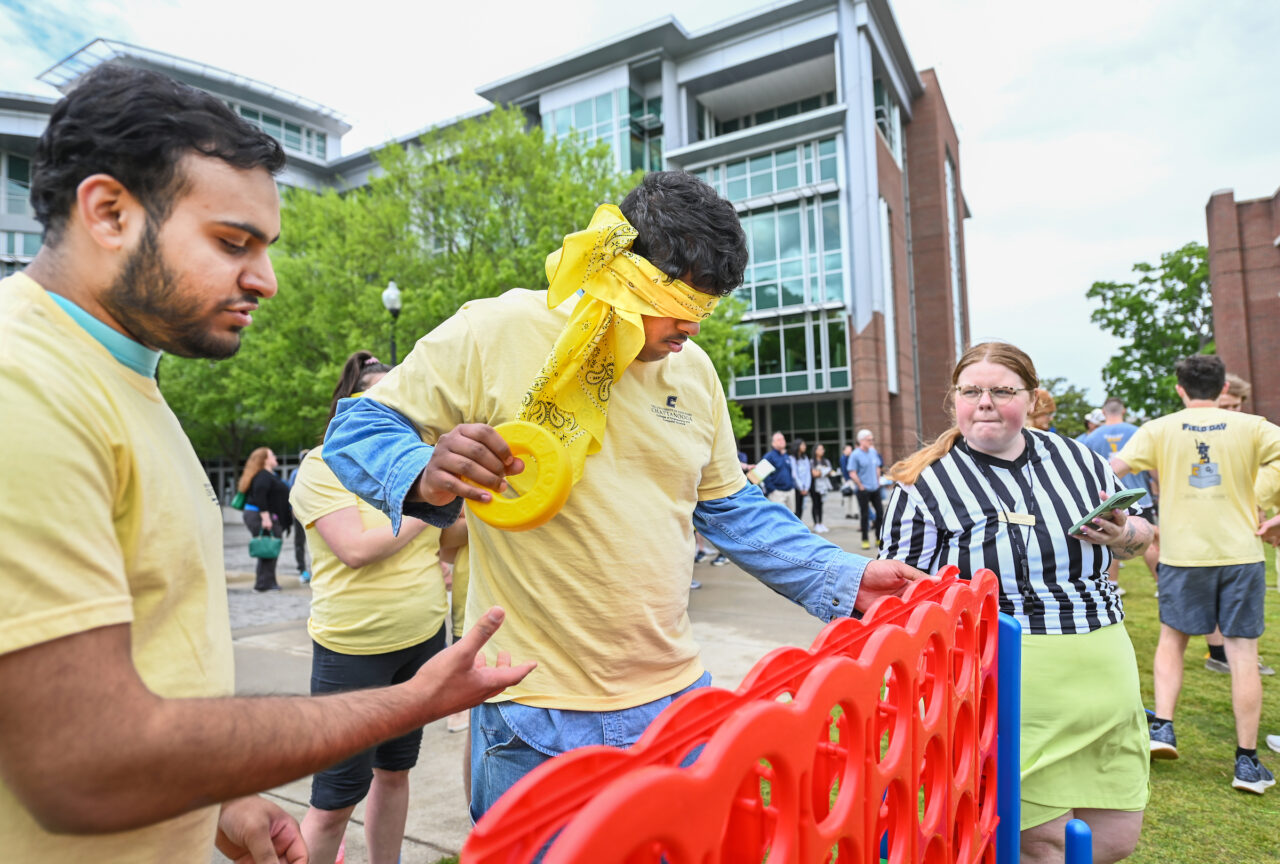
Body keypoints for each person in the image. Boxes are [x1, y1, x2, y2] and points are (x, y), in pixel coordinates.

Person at [0, 63, 531, 863]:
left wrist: (215, 797)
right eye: (231, 242)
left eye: (265, 248)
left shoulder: (118, 377)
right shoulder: (23, 384)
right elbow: (86, 763)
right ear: (109, 212)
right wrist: (410, 701)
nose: (266, 281)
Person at [322, 171, 923, 825]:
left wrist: (846, 576)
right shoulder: (496, 329)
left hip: (675, 703)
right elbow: (356, 428)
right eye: (678, 301)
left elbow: (730, 506)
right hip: (534, 708)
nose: (692, 326)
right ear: (619, 269)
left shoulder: (694, 372)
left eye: (707, 306)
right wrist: (421, 469)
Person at [881, 342, 1153, 864]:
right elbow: (898, 593)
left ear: (1031, 398)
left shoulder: (1081, 461)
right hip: (1004, 677)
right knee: (1040, 844)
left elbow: (1141, 538)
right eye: (971, 391)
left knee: (1116, 837)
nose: (985, 402)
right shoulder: (923, 486)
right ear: (954, 400)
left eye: (1002, 391)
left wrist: (1123, 535)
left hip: (1105, 671)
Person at [289, 350, 463, 864]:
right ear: (351, 407)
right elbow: (356, 549)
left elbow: (449, 542)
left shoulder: (418, 465)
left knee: (395, 773)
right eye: (378, 401)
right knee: (334, 801)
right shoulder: (322, 464)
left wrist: (471, 511)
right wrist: (429, 505)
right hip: (353, 651)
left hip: (422, 640)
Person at [1113, 355, 1280, 793]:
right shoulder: (1254, 426)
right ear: (1224, 388)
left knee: (1172, 640)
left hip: (1182, 554)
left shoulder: (1160, 428)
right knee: (1242, 654)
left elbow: (1112, 470)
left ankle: (1164, 728)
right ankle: (1247, 764)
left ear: (1180, 388)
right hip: (1240, 554)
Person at [1205, 375, 1275, 675]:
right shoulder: (1199, 435)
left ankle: (1235, 655)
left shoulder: (1251, 433)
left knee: (1241, 595)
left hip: (1243, 525)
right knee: (1214, 590)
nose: (1232, 412)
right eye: (1226, 406)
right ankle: (1219, 654)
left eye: (1236, 406)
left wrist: (1260, 511)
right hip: (1207, 523)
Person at [1082, 398, 1160, 597]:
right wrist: (1159, 488)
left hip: (1107, 498)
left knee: (1110, 539)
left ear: (1104, 412)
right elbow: (1153, 467)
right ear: (1123, 410)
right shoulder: (1137, 432)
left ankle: (1113, 585)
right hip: (1138, 496)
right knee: (1151, 541)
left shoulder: (1091, 437)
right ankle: (1161, 585)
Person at [238, 446, 293, 592]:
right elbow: (260, 496)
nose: (275, 457)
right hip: (260, 516)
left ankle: (268, 581)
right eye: (272, 455)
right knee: (267, 547)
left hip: (264, 515)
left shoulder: (270, 475)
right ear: (265, 460)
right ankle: (263, 584)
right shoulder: (263, 476)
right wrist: (266, 518)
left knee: (270, 548)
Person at [849, 429, 885, 550]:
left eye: (872, 439)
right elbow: (852, 472)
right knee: (865, 515)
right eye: (869, 440)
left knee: (880, 514)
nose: (871, 441)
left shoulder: (873, 452)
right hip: (863, 490)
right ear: (861, 441)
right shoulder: (855, 455)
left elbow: (878, 467)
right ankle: (865, 539)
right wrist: (860, 485)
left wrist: (878, 481)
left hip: (875, 488)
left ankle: (878, 538)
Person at [761, 430, 796, 511]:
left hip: (790, 491)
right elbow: (763, 474)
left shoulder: (786, 456)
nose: (782, 441)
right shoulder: (769, 456)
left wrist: (792, 486)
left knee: (791, 516)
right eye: (779, 440)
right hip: (777, 493)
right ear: (773, 443)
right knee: (780, 516)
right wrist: (772, 490)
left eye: (783, 439)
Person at [810, 443, 835, 534]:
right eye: (820, 449)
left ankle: (820, 523)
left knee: (821, 504)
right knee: (815, 503)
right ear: (815, 451)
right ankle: (816, 524)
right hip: (814, 485)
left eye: (823, 449)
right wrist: (823, 472)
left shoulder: (826, 461)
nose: (822, 451)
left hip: (823, 485)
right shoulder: (812, 461)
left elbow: (831, 472)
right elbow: (814, 474)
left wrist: (820, 472)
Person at [790, 438, 813, 524]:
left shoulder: (805, 458)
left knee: (801, 507)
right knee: (795, 508)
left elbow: (808, 473)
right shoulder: (792, 458)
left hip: (804, 487)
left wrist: (806, 487)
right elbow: (794, 474)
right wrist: (800, 487)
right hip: (796, 488)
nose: (804, 446)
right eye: (802, 445)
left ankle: (799, 524)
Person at [840, 443, 858, 519]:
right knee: (852, 495)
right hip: (848, 479)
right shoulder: (844, 458)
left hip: (849, 479)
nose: (850, 450)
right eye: (849, 449)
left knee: (849, 496)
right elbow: (845, 470)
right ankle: (854, 513)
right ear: (844, 450)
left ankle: (849, 513)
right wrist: (847, 480)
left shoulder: (848, 457)